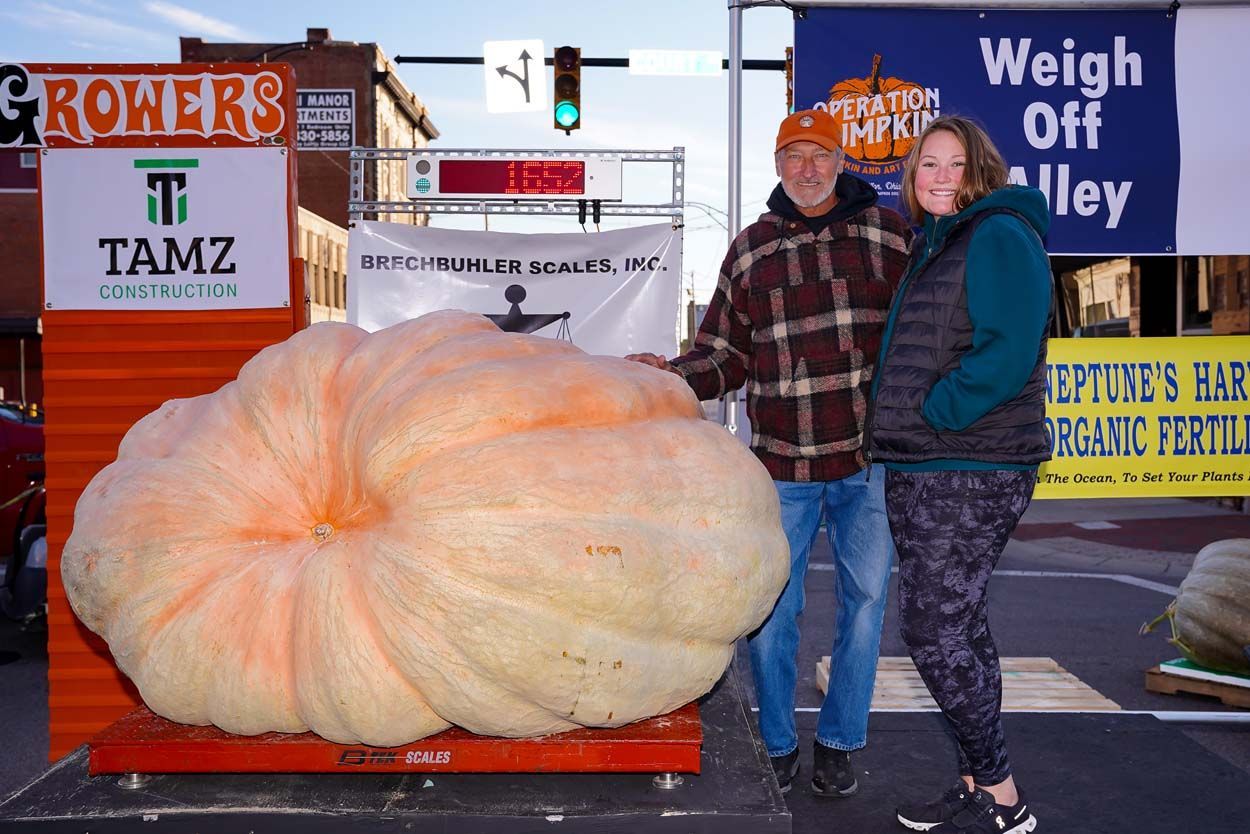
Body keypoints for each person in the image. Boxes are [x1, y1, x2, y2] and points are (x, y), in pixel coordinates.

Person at [627, 109, 912, 797]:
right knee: (768, 612)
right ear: (778, 166)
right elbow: (724, 354)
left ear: (843, 162)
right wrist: (666, 373)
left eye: (820, 155)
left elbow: (923, 333)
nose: (807, 169)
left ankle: (840, 741)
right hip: (781, 465)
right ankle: (779, 743)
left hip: (868, 462)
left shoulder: (891, 235)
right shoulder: (752, 248)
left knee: (866, 604)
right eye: (793, 156)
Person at [867, 115, 1051, 834]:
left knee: (932, 630)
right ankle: (976, 781)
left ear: (981, 171)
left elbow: (1005, 355)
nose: (939, 177)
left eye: (954, 164)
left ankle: (1003, 793)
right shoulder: (939, 244)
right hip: (929, 461)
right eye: (925, 166)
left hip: (968, 464)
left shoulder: (999, 234)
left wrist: (937, 412)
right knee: (962, 628)